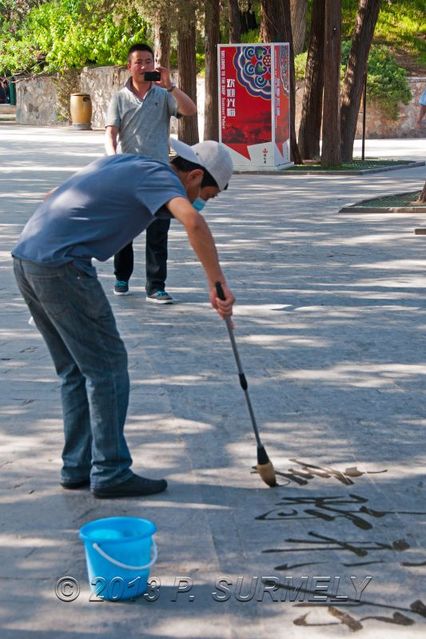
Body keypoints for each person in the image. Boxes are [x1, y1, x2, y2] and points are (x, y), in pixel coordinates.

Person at [12, 138, 234, 499]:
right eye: (207, 195)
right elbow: (192, 221)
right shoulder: (162, 179)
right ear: (193, 176)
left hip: (28, 258)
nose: (202, 203)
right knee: (108, 367)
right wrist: (217, 283)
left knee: (74, 369)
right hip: (62, 266)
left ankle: (76, 466)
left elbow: (54, 193)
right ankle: (111, 470)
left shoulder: (130, 164)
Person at [105, 43, 197, 304]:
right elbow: (110, 132)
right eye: (139, 62)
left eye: (148, 61)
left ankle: (156, 286)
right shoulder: (119, 98)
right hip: (127, 173)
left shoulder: (163, 94)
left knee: (158, 231)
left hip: (159, 173)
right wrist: (111, 158)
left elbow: (190, 111)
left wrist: (171, 85)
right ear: (129, 66)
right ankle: (121, 276)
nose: (144, 66)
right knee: (124, 229)